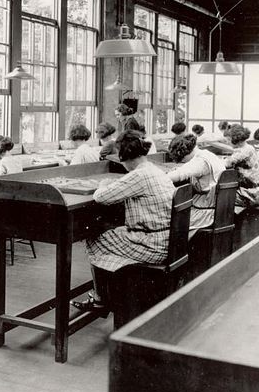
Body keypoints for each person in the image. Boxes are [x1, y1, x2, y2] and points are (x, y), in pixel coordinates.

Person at [73, 130, 176, 314]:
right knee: (113, 230)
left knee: (93, 238)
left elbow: (101, 197)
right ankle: (107, 294)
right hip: (169, 240)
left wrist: (103, 184)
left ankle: (101, 298)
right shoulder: (154, 170)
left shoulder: (138, 175)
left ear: (124, 156)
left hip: (154, 246)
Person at [166, 134, 220, 233]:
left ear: (182, 153)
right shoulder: (207, 154)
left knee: (170, 222)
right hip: (217, 206)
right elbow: (187, 169)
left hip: (206, 212)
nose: (182, 162)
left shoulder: (200, 161)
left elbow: (180, 174)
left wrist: (159, 176)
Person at [224, 125, 259, 210]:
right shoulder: (248, 147)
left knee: (221, 196)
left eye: (228, 140)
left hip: (255, 195)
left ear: (236, 140)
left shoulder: (243, 152)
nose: (227, 143)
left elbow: (225, 164)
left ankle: (231, 221)